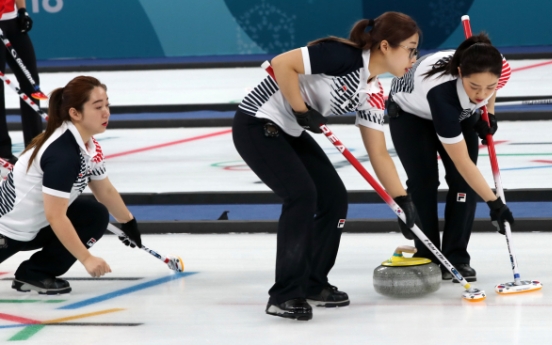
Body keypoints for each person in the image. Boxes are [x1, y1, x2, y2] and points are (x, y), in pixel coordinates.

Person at [232, 12, 422, 321]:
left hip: (290, 130)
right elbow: (282, 63)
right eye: (411, 48)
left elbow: (379, 153)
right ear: (386, 46)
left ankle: (312, 282)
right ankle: (284, 294)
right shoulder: (343, 56)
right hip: (258, 123)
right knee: (302, 195)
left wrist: (402, 200)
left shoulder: (372, 92)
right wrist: (301, 110)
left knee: (334, 199)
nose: (414, 57)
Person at [387, 33, 513, 283]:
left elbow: (488, 86)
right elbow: (462, 162)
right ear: (459, 73)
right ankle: (429, 255)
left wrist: (488, 112)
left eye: (489, 87)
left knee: (463, 185)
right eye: (474, 87)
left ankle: (456, 257)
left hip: (456, 109)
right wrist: (495, 204)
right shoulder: (441, 93)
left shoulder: (495, 64)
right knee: (424, 183)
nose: (482, 92)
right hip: (410, 113)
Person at [0, 76, 142, 295]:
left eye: (107, 105)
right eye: (97, 107)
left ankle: (35, 273)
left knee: (94, 214)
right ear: (75, 113)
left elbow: (104, 191)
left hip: (35, 226)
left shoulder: (88, 145)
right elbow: (55, 215)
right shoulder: (62, 155)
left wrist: (128, 222)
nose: (106, 112)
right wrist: (87, 259)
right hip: (8, 231)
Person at [0, 0, 43, 164]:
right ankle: (3, 151)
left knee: (31, 83)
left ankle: (34, 145)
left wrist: (22, 11)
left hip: (12, 22)